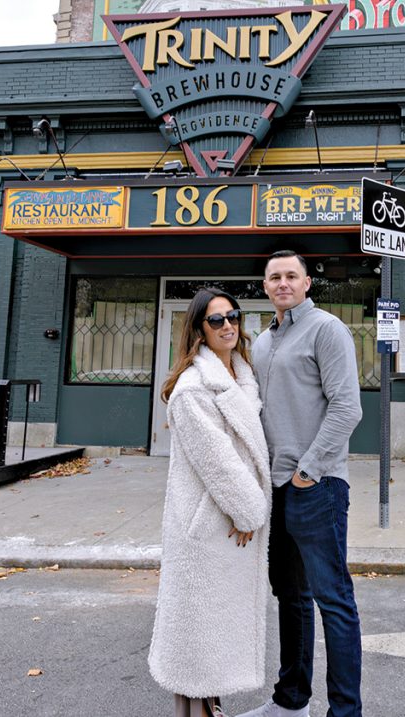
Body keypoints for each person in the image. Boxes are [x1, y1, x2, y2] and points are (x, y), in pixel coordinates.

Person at [239, 250, 364, 717]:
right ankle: (291, 703)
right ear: (266, 286)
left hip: (318, 486)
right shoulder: (265, 342)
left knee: (333, 600)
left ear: (308, 283)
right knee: (290, 598)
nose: (283, 283)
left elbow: (347, 408)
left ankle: (345, 713)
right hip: (275, 488)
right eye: (275, 277)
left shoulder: (327, 329)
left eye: (292, 275)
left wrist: (307, 471)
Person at [148, 287, 272, 717]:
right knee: (197, 644)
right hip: (209, 527)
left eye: (233, 316)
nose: (228, 326)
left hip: (230, 523)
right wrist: (250, 510)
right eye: (216, 320)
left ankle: (209, 708)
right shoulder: (192, 388)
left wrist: (245, 510)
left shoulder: (242, 379)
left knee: (210, 642)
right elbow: (218, 463)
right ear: (199, 331)